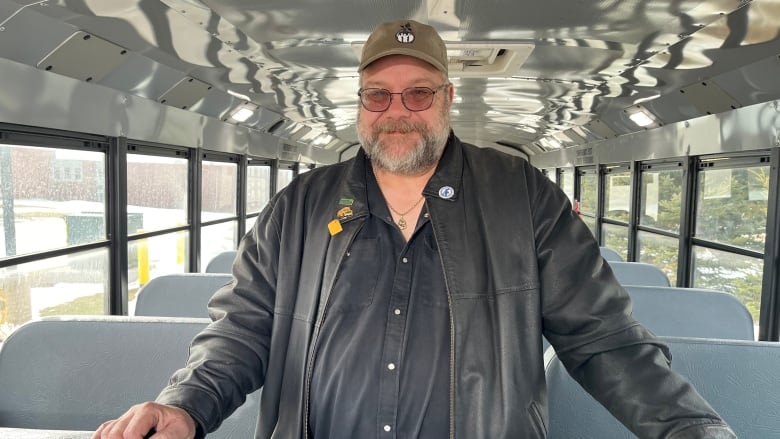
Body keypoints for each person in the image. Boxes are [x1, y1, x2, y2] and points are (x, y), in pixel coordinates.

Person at [94, 19, 737, 439]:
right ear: (360, 105)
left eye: (418, 93)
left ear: (449, 99)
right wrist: (182, 405)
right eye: (378, 94)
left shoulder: (525, 200)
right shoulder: (295, 209)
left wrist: (690, 428)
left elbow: (605, 341)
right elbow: (241, 333)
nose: (397, 111)